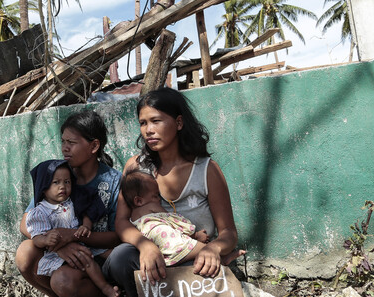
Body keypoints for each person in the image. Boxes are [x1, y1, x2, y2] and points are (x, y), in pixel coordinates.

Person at [102, 87, 244, 297]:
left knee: (201, 268)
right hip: (147, 259)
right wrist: (146, 246)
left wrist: (213, 249)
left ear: (178, 123)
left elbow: (229, 233)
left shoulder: (207, 170)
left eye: (156, 121)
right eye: (143, 123)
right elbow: (122, 222)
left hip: (193, 257)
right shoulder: (135, 167)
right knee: (120, 257)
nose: (148, 130)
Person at [16, 110, 122, 297]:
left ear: (94, 145)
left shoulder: (113, 181)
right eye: (63, 142)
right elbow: (26, 224)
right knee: (25, 252)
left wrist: (73, 236)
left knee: (63, 281)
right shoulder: (58, 175)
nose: (65, 148)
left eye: (71, 143)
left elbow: (117, 236)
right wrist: (59, 244)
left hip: (97, 259)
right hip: (61, 254)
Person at [25, 159, 120, 297]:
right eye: (56, 182)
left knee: (89, 261)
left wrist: (86, 226)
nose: (62, 186)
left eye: (67, 182)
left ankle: (106, 288)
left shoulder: (72, 200)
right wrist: (46, 241)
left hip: (80, 245)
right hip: (56, 254)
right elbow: (36, 237)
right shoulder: (39, 212)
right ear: (44, 187)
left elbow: (87, 211)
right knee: (75, 269)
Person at [120, 169, 210, 266]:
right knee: (209, 251)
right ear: (138, 201)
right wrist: (196, 235)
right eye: (155, 196)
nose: (159, 199)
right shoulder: (151, 206)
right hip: (172, 244)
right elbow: (174, 222)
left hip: (160, 253)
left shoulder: (133, 218)